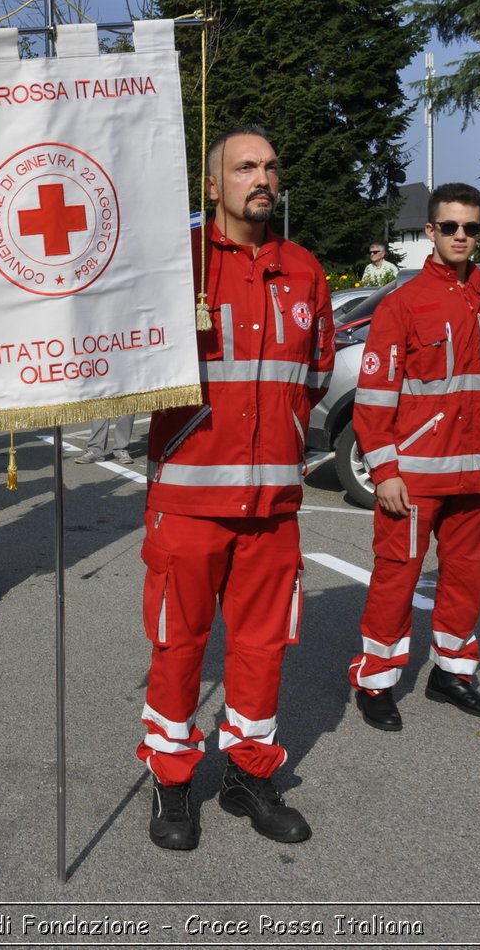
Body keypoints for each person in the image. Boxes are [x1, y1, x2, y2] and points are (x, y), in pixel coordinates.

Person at [136, 125, 333, 852]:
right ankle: (174, 778)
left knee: (261, 650)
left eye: (271, 166)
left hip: (273, 509)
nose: (262, 177)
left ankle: (249, 773)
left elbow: (311, 380)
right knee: (179, 647)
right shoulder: (173, 266)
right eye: (244, 166)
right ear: (212, 185)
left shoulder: (307, 271)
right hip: (187, 504)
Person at [347, 182, 480, 732]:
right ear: (430, 232)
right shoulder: (403, 303)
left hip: (477, 472)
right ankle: (375, 680)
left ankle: (453, 673)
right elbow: (373, 398)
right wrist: (384, 468)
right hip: (416, 475)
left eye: (470, 227)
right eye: (450, 227)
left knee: (467, 574)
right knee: (397, 576)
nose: (461, 236)